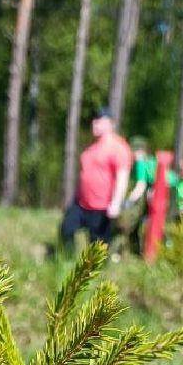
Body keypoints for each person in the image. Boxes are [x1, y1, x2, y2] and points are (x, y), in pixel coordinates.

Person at [59, 107, 133, 254]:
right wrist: (75, 198)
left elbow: (122, 176)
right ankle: (68, 261)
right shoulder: (91, 149)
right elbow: (84, 177)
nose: (94, 124)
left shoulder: (118, 147)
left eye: (99, 121)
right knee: (66, 229)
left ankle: (98, 273)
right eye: (94, 121)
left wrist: (116, 203)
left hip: (102, 207)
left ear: (110, 124)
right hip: (82, 204)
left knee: (97, 246)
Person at [125, 135, 156, 255]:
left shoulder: (141, 163)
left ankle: (137, 252)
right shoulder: (152, 161)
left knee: (134, 226)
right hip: (163, 200)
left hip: (149, 200)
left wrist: (129, 201)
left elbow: (141, 185)